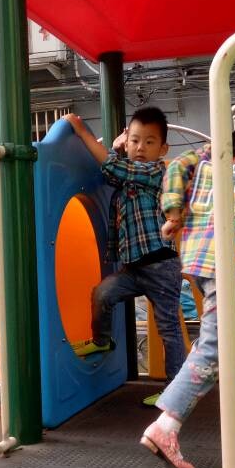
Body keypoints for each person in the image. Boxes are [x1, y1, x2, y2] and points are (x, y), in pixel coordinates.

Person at [140, 91, 235, 468]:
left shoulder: (212, 150)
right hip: (234, 258)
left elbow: (176, 167)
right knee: (213, 343)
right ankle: (166, 425)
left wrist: (174, 212)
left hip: (200, 254)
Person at [65, 106, 184, 387]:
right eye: (135, 140)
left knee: (168, 329)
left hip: (160, 266)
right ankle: (102, 341)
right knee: (102, 294)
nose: (141, 147)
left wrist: (83, 132)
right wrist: (116, 149)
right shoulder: (128, 176)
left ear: (163, 150)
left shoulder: (156, 172)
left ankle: (177, 391)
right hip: (134, 269)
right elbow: (111, 174)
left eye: (149, 142)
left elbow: (115, 168)